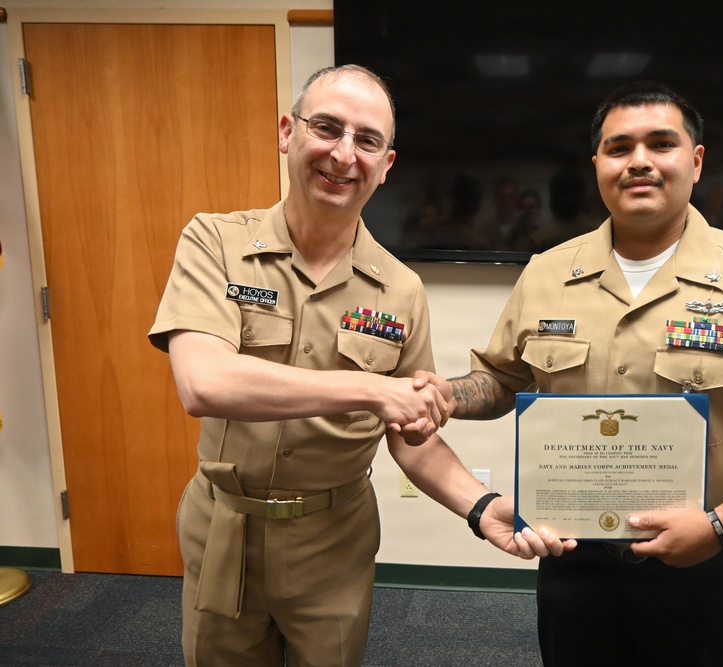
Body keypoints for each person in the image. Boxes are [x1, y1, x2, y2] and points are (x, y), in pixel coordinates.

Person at [413, 80, 723, 666]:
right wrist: (442, 396)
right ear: (598, 164)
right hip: (573, 557)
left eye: (661, 143)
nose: (640, 162)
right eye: (620, 147)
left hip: (706, 561)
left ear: (696, 161)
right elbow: (504, 379)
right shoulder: (548, 272)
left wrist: (720, 527)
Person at [148, 65, 561, 667]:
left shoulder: (401, 288)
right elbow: (203, 381)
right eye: (327, 128)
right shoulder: (214, 241)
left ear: (386, 164)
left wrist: (480, 505)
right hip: (223, 527)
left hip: (333, 541)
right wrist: (370, 389)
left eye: (367, 140)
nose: (344, 154)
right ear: (288, 132)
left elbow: (412, 436)